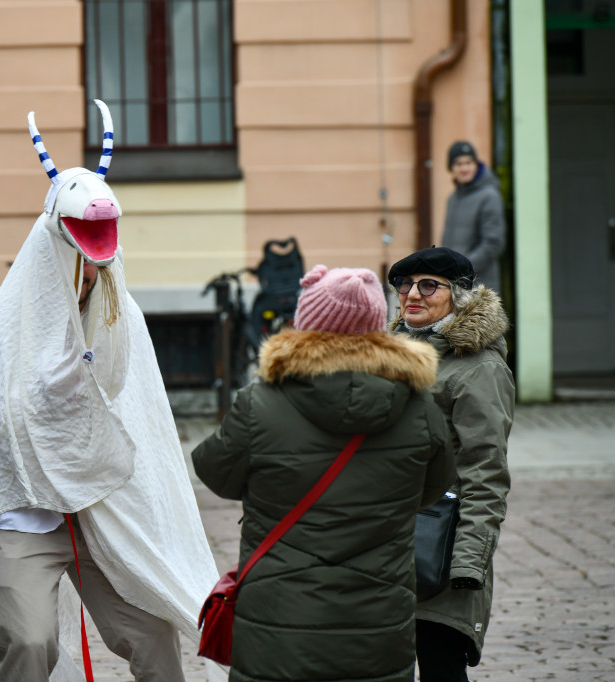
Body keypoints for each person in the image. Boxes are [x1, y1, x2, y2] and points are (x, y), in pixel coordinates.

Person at [0, 101, 219, 681]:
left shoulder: (124, 321)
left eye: (96, 263)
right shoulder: (6, 329)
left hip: (106, 514)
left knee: (152, 633)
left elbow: (141, 420)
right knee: (29, 642)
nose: (88, 273)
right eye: (76, 258)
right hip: (26, 517)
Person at [192, 264, 454, 682]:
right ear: (377, 326)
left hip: (279, 631)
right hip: (378, 630)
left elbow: (214, 472)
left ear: (306, 324)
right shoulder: (419, 408)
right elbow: (431, 490)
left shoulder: (259, 403)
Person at [387, 246, 515, 681]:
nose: (412, 294)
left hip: (439, 550)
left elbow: (486, 472)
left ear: (458, 295)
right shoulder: (391, 357)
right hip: (386, 545)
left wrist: (466, 563)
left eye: (428, 285)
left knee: (441, 668)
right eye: (405, 285)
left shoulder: (478, 368)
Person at [442, 140, 506, 293]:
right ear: (451, 168)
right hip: (454, 285)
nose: (464, 168)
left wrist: (462, 269)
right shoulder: (453, 199)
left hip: (480, 287)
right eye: (458, 164)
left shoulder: (490, 196)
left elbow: (493, 244)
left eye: (469, 162)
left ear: (476, 165)